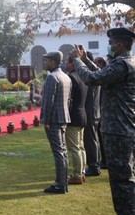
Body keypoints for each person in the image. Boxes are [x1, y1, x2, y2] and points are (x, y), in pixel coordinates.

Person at [71, 28, 135, 215]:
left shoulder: (122, 65)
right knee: (122, 180)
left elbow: (91, 79)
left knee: (122, 182)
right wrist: (87, 59)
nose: (108, 45)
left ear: (118, 46)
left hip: (119, 131)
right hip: (121, 129)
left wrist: (77, 62)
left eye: (110, 42)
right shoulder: (126, 63)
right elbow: (101, 74)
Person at [40, 50, 72, 194]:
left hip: (53, 120)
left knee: (58, 152)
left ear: (53, 62)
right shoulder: (66, 77)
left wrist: (45, 120)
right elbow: (69, 101)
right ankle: (63, 183)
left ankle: (60, 184)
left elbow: (48, 102)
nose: (44, 63)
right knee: (63, 152)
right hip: (63, 117)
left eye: (46, 60)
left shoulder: (52, 78)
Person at [65, 55, 88, 185]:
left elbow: (69, 99)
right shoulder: (82, 77)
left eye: (67, 62)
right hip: (82, 114)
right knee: (80, 146)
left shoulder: (72, 77)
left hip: (74, 116)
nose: (65, 64)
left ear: (72, 64)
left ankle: (77, 174)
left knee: (74, 147)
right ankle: (82, 172)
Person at [84, 52, 102, 177]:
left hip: (91, 112)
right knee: (93, 140)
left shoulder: (93, 76)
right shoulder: (96, 75)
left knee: (90, 140)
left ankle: (94, 166)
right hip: (95, 111)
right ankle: (96, 164)